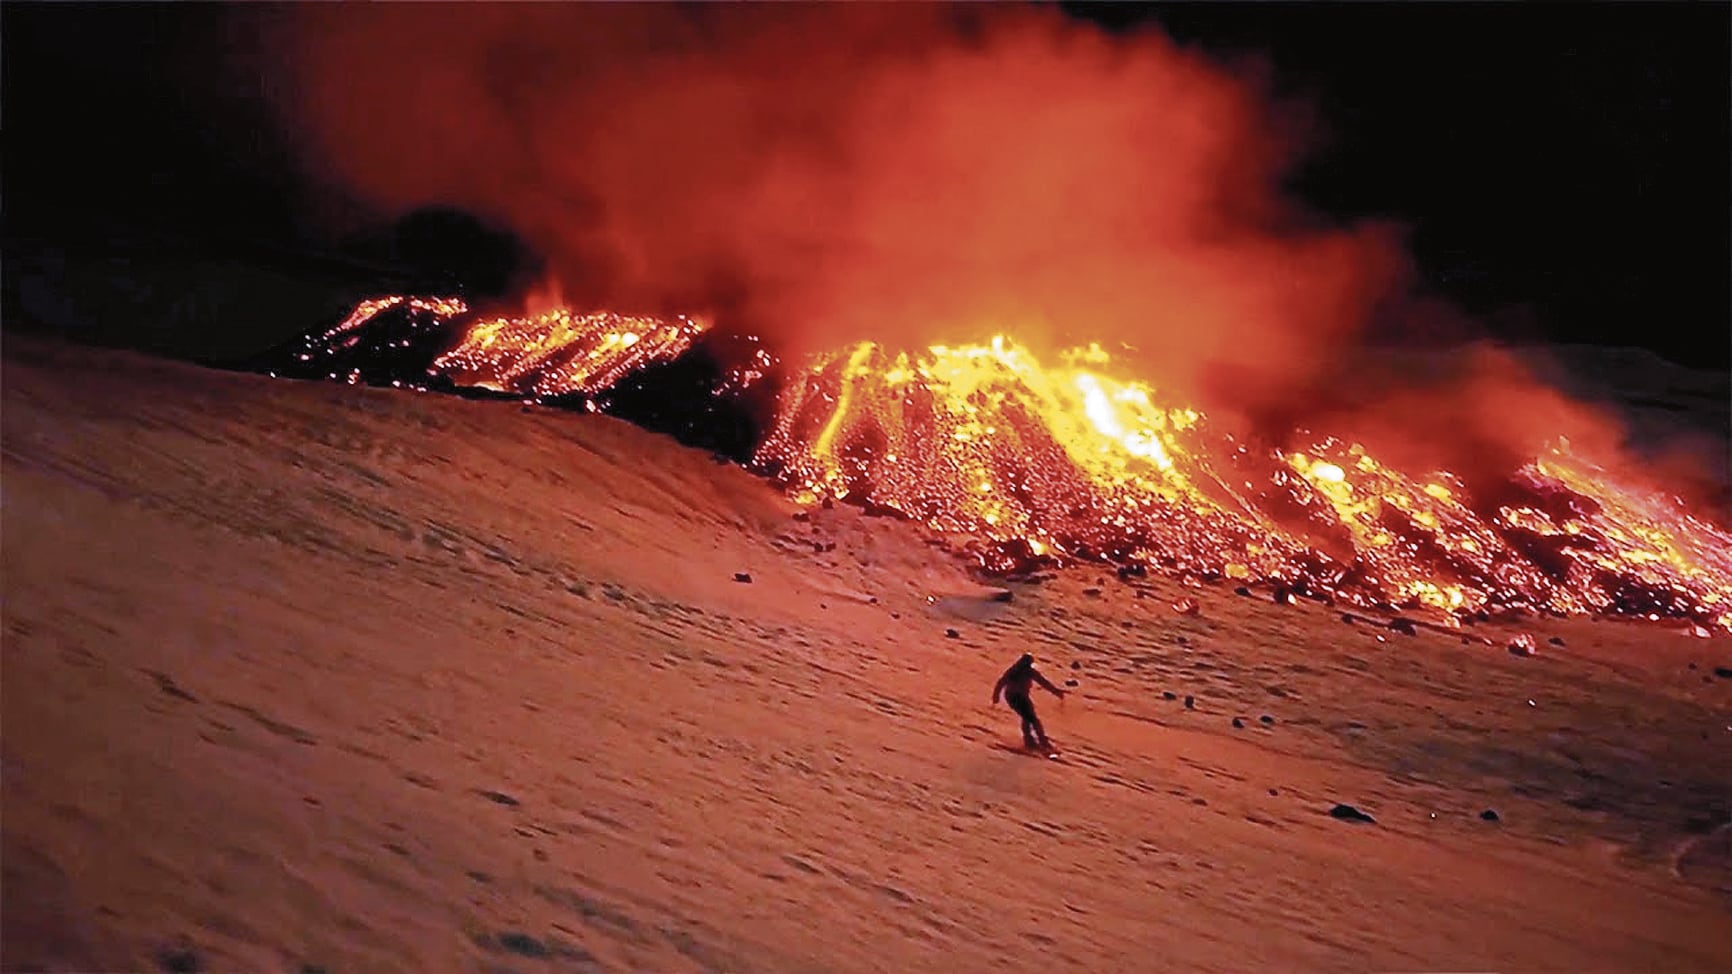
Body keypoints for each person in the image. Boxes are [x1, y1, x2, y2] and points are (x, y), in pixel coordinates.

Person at [991, 653, 1065, 750]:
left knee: (1027, 717)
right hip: (1016, 697)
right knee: (1031, 718)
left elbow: (1043, 682)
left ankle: (1030, 739)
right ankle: (1039, 740)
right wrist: (995, 696)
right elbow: (1001, 682)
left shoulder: (1017, 671)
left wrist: (1056, 691)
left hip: (1016, 697)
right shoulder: (1020, 671)